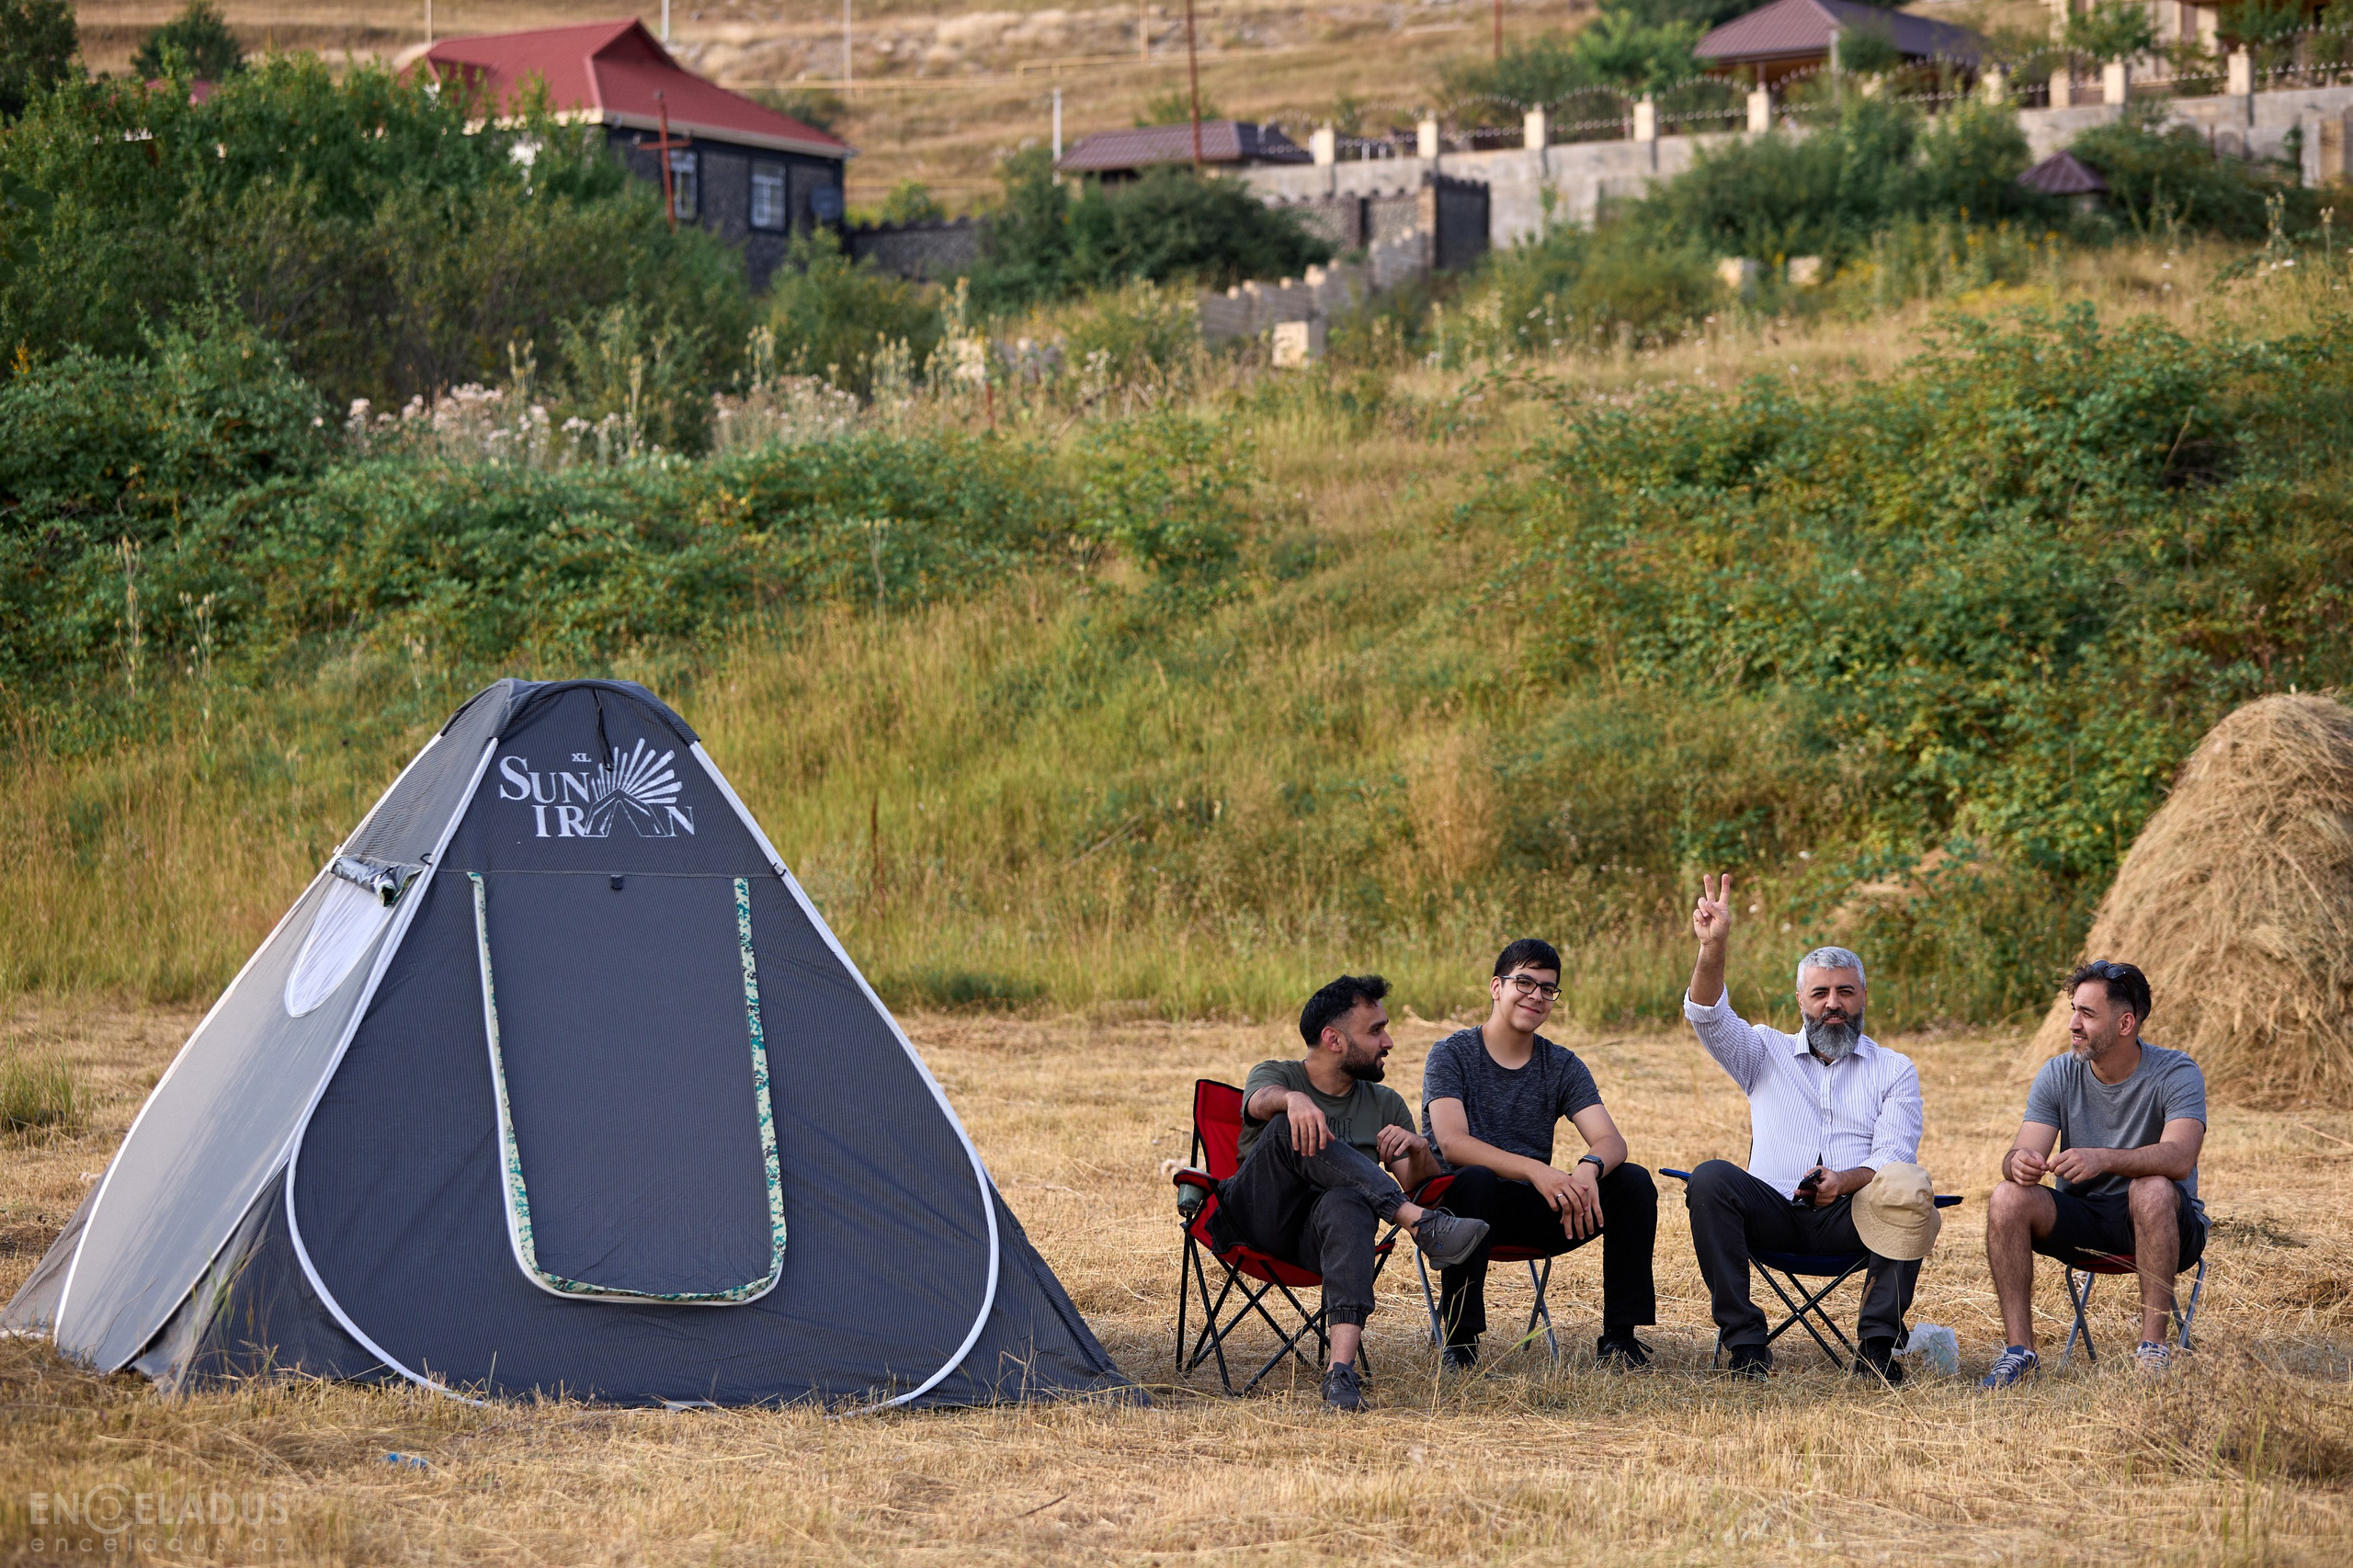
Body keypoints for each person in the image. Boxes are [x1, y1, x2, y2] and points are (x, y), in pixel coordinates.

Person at [1681, 873, 1928, 1381]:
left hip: (1858, 1220)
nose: (1832, 1004)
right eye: (1820, 993)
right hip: (1774, 1212)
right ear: (1800, 1001)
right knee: (1709, 1178)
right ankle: (1746, 1346)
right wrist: (1714, 947)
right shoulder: (1762, 1050)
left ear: (1864, 997)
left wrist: (1842, 1181)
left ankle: (1877, 1348)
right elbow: (1707, 1014)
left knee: (1908, 1184)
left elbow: (1893, 1154)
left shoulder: (1894, 1068)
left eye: (1845, 992)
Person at [1210, 973, 1489, 1412]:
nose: (1389, 1041)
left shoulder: (1384, 1103)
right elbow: (1259, 1102)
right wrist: (1293, 1102)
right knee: (1288, 1128)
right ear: (1333, 1039)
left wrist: (1417, 1150)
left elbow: (1422, 1183)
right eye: (1375, 1030)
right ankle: (1421, 1226)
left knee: (1348, 1202)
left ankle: (1340, 1375)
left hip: (1320, 1242)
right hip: (1256, 1223)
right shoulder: (1276, 1075)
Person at [1420, 937, 1659, 1372]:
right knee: (1473, 1180)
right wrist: (1538, 1171)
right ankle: (1460, 1340)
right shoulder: (1451, 1053)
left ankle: (1620, 1338)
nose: (1536, 996)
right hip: (1462, 1211)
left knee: (1633, 1182)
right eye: (1524, 983)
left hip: (1537, 1209)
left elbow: (1611, 1142)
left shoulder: (1562, 1064)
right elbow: (1453, 1143)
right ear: (1497, 987)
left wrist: (1588, 1170)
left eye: (1547, 989)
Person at [1981, 960, 2208, 1388]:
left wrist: (2104, 1158)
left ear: (2125, 1023)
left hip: (2165, 1223)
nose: (2073, 1024)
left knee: (2153, 1188)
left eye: (2087, 1013)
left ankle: (2153, 1351)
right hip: (2085, 1219)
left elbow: (2180, 1158)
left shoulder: (2177, 1072)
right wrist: (2019, 1164)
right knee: (2007, 1196)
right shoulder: (2058, 1072)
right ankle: (2019, 1352)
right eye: (2074, 1009)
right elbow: (2019, 1151)